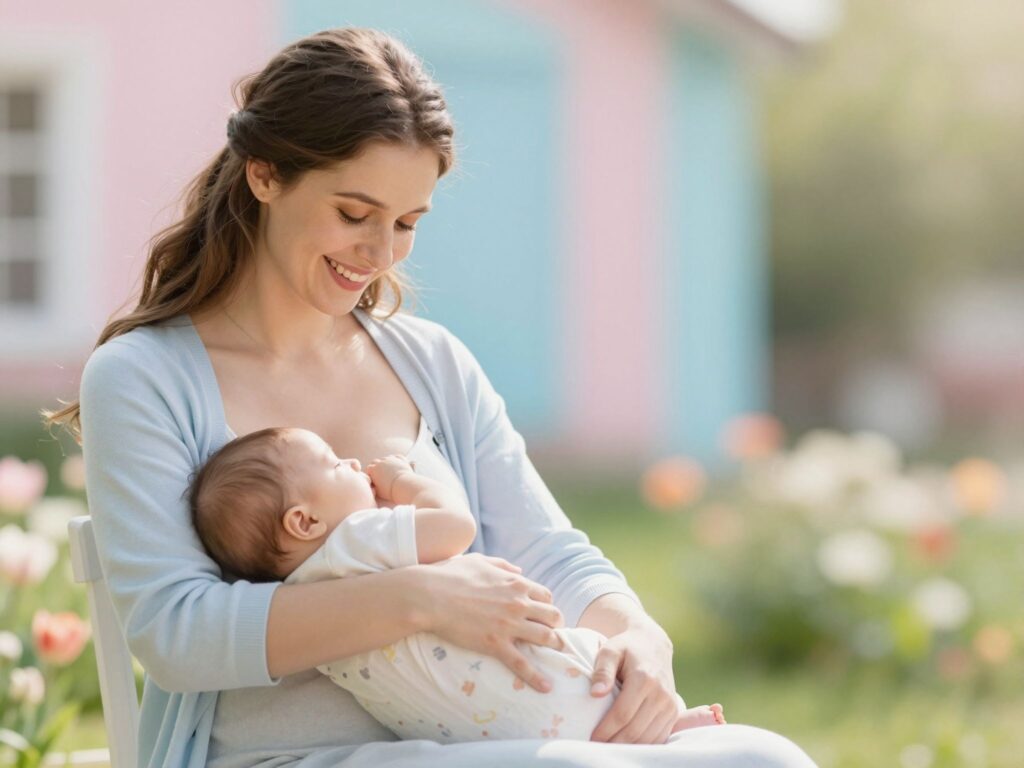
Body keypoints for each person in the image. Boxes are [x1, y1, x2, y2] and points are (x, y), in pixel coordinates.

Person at [46, 26, 818, 767]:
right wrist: (420, 599)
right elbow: (179, 635)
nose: (380, 254)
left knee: (767, 757)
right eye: (354, 214)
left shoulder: (431, 362)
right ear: (265, 174)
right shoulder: (146, 377)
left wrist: (641, 641)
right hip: (285, 755)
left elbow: (548, 549)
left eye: (407, 222)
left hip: (485, 742)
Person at [186, 428, 727, 742]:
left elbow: (554, 549)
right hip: (530, 682)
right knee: (567, 660)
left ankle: (665, 725)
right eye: (334, 464)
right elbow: (454, 528)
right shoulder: (356, 540)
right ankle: (668, 724)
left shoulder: (305, 599)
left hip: (482, 730)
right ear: (304, 522)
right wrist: (406, 482)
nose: (352, 461)